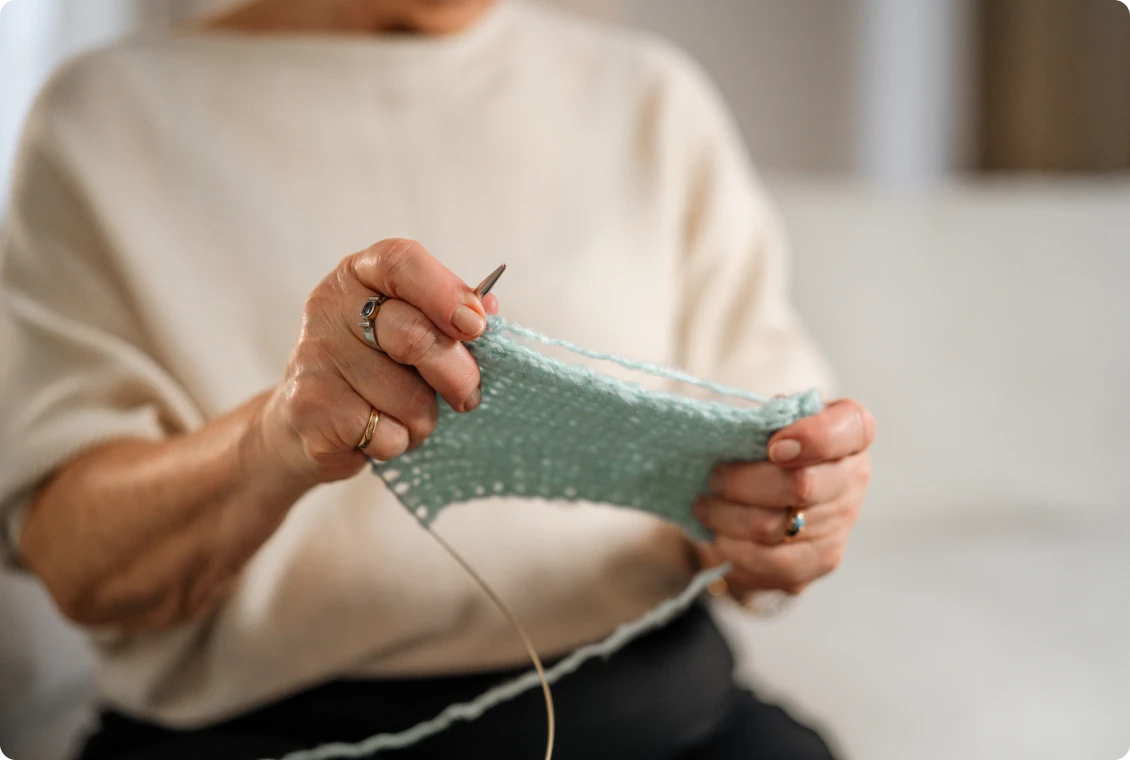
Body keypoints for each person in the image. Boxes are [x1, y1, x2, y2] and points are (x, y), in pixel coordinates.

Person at [0, 0, 875, 757]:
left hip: (665, 720)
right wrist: (276, 439)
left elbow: (765, 511)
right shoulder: (104, 119)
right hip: (261, 739)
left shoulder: (651, 100)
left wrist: (784, 522)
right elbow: (80, 565)